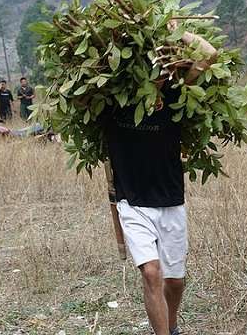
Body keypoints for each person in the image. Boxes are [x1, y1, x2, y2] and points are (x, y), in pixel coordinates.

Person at [104, 21, 216, 335]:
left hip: (170, 199)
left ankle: (172, 322)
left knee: (175, 281)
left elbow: (210, 54)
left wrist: (176, 32)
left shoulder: (174, 97)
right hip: (133, 201)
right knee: (152, 273)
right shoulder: (111, 102)